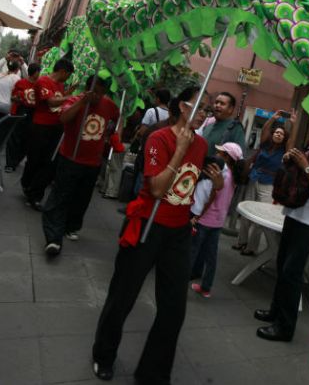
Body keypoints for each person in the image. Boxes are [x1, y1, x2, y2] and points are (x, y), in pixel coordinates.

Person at [91, 86, 223, 385]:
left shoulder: (202, 145)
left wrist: (214, 186)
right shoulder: (158, 138)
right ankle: (104, 354)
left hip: (178, 234)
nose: (205, 113)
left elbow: (189, 189)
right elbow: (157, 189)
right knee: (122, 296)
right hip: (147, 226)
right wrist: (178, 151)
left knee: (174, 308)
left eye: (208, 109)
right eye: (200, 107)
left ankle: (153, 373)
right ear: (182, 107)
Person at [253, 114, 309, 342]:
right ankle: (275, 312)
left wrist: (305, 167)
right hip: (293, 216)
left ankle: (285, 328)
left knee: (292, 274)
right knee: (282, 266)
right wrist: (290, 161)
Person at [41, 75, 120, 256]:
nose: (97, 97)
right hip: (70, 158)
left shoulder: (109, 105)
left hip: (92, 162)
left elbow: (116, 117)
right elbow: (64, 118)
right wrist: (83, 102)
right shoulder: (75, 100)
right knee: (61, 196)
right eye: (94, 92)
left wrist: (112, 132)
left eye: (101, 93)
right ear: (87, 88)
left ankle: (72, 226)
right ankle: (53, 238)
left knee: (82, 198)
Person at [233, 109, 296, 256]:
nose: (278, 134)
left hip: (269, 185)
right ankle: (241, 241)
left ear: (284, 137)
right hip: (253, 179)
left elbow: (291, 142)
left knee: (260, 215)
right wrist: (273, 118)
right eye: (276, 132)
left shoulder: (284, 152)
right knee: (246, 210)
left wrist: (292, 125)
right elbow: (266, 129)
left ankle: (251, 247)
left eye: (281, 133)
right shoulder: (264, 145)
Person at [20, 58, 74, 210]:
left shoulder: (61, 85)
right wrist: (70, 97)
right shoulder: (43, 81)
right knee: (35, 159)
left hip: (56, 127)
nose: (67, 78)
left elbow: (59, 101)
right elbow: (51, 101)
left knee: (49, 163)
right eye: (68, 74)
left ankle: (35, 195)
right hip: (41, 126)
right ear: (63, 71)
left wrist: (67, 94)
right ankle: (28, 185)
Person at [190, 142, 242, 298]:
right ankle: (206, 287)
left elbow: (210, 198)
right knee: (211, 257)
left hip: (205, 220)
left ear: (226, 157)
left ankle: (178, 284)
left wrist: (197, 216)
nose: (217, 154)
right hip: (218, 222)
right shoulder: (234, 176)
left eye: (220, 152)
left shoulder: (220, 176)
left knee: (192, 253)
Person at [130, 88, 172, 198]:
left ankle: (136, 201)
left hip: (148, 147)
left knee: (142, 173)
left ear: (158, 99)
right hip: (162, 150)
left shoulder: (151, 111)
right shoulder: (170, 115)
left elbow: (143, 131)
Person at [5, 63, 42, 172]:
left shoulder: (40, 85)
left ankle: (16, 161)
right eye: (38, 72)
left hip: (33, 114)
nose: (39, 74)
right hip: (20, 111)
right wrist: (18, 99)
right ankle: (10, 163)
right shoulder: (21, 82)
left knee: (27, 139)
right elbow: (13, 97)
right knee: (14, 138)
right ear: (34, 72)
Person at [200, 91, 246, 156]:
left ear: (230, 109)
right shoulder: (208, 126)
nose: (217, 105)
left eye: (222, 104)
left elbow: (240, 155)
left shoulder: (235, 128)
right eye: (216, 102)